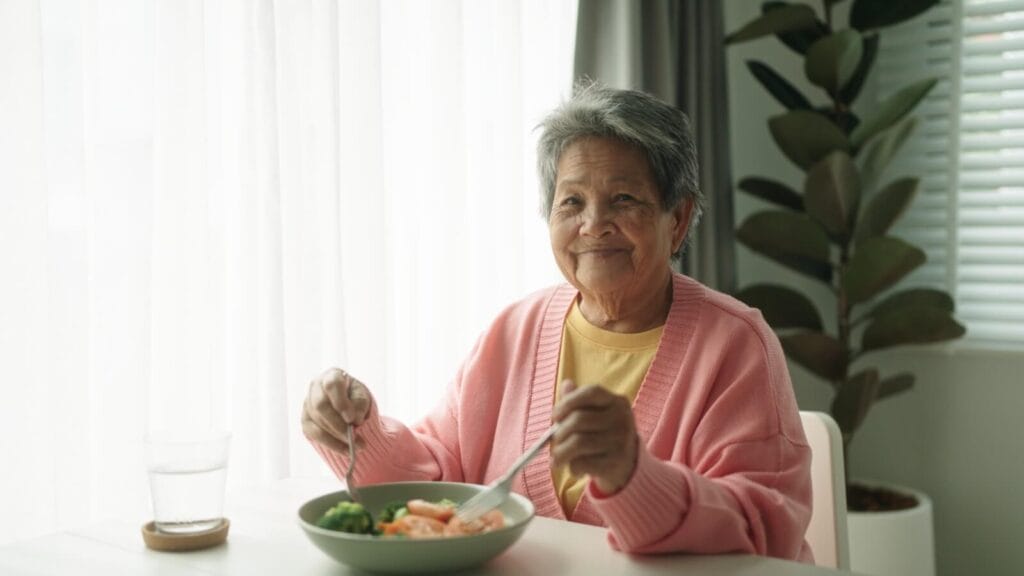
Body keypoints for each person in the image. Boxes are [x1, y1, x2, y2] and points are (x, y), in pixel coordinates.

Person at [301, 82, 813, 561]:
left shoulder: (735, 344)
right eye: (572, 201)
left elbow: (763, 527)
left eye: (623, 199)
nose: (593, 224)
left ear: (676, 220)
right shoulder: (513, 331)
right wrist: (352, 431)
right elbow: (439, 477)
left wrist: (633, 478)